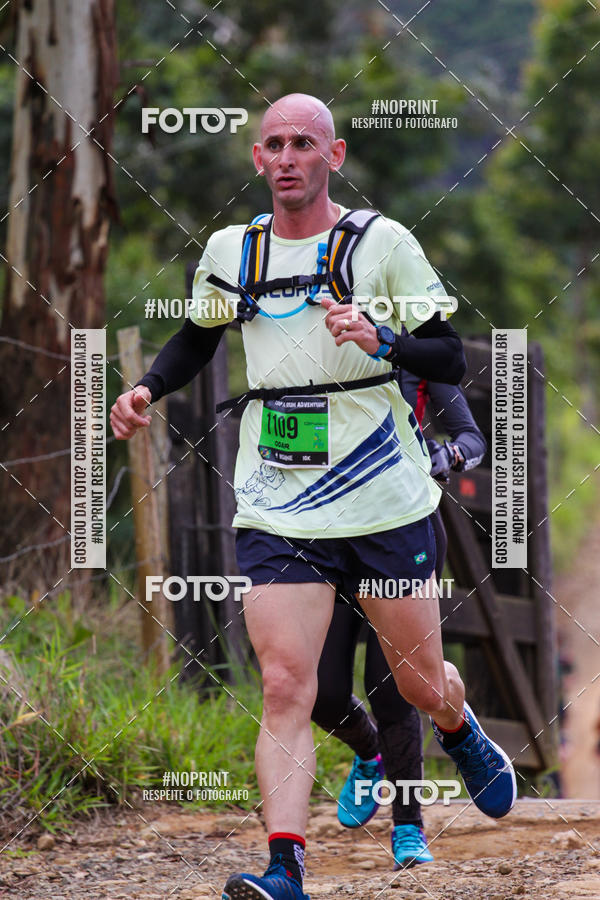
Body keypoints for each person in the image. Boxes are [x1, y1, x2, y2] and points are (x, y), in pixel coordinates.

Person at [111, 93, 516, 900]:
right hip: (277, 501)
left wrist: (384, 338)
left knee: (416, 682)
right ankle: (285, 867)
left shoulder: (384, 244)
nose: (287, 157)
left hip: (383, 499)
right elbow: (198, 335)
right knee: (288, 686)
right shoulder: (232, 251)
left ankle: (456, 723)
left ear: (333, 157)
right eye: (274, 144)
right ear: (257, 160)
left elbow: (449, 359)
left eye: (304, 143)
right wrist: (147, 390)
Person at [312, 373, 487, 869]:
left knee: (390, 688)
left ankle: (408, 826)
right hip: (326, 533)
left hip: (402, 533)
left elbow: (472, 439)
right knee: (321, 694)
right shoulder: (312, 355)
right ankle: (370, 754)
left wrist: (447, 457)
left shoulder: (413, 350)